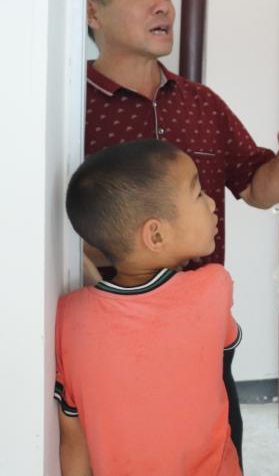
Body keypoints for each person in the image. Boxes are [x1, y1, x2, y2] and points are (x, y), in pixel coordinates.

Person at [84, 0, 279, 464]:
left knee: (216, 456)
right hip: (108, 328)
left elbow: (258, 190)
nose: (162, 5)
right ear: (93, 12)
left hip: (202, 328)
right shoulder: (70, 103)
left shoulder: (201, 103)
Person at [56, 139, 242, 476]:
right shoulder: (214, 288)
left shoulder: (68, 318)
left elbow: (73, 438)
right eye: (198, 194)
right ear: (155, 236)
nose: (212, 203)